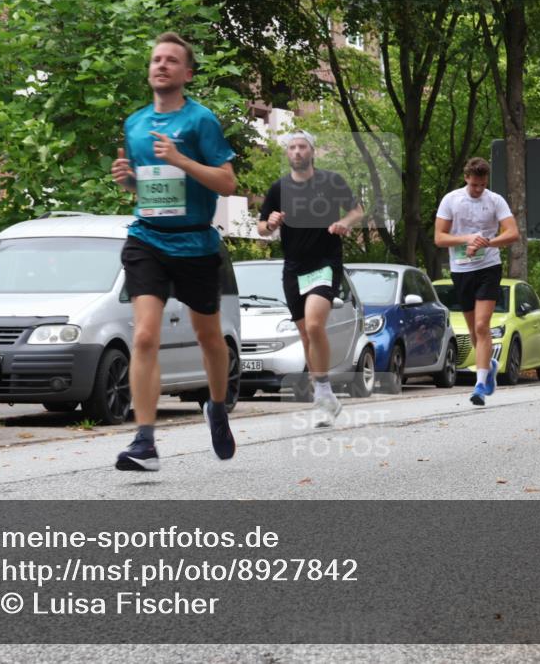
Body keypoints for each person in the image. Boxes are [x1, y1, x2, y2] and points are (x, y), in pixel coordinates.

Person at [110, 32, 238, 471]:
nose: (160, 65)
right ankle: (144, 441)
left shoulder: (201, 121)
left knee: (209, 337)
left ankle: (217, 406)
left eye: (170, 61)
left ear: (186, 73)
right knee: (144, 335)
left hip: (197, 243)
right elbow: (146, 187)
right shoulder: (135, 123)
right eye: (155, 59)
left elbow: (227, 183)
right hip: (147, 238)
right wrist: (127, 179)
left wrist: (183, 160)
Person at [257, 130, 364, 426]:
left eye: (302, 147)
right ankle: (323, 394)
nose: (297, 152)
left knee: (315, 325)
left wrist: (343, 223)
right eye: (292, 147)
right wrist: (271, 223)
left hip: (325, 262)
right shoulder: (278, 188)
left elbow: (357, 211)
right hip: (293, 267)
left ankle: (324, 388)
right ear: (287, 154)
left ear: (312, 151)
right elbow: (261, 228)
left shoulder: (331, 181)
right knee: (306, 335)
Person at [434, 157, 519, 406]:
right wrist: (467, 239)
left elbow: (513, 232)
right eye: (474, 185)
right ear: (466, 178)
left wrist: (488, 242)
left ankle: (480, 385)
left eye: (482, 185)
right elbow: (439, 238)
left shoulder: (495, 200)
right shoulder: (451, 200)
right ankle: (488, 365)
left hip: (488, 267)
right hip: (461, 269)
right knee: (474, 330)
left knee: (483, 326)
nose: (478, 189)